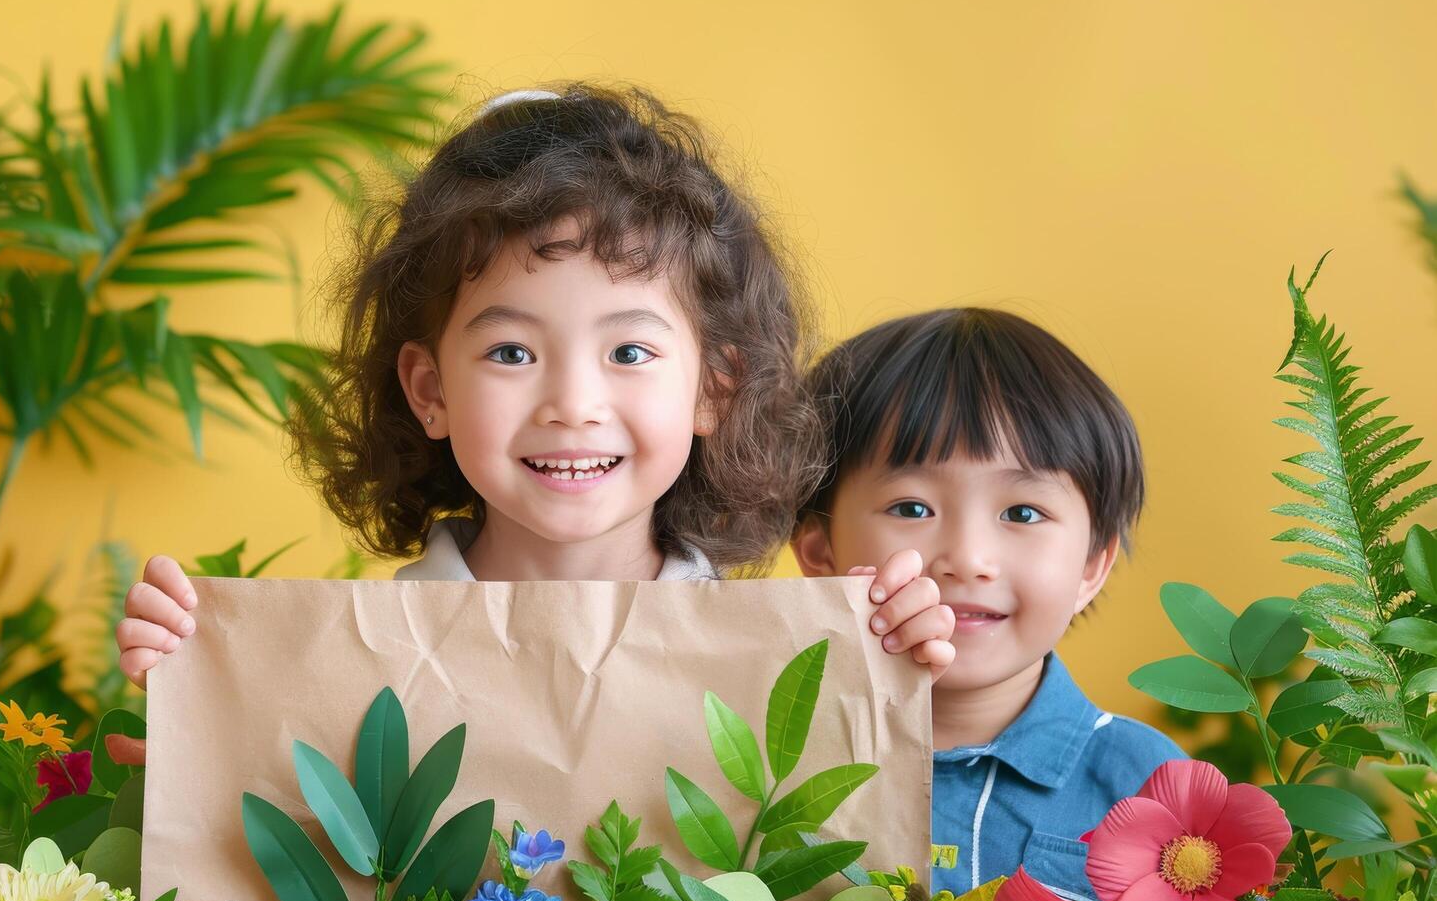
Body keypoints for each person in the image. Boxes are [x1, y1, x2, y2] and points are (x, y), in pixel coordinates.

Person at [111, 85, 957, 765]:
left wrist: (898, 664)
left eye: (628, 352)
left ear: (714, 387)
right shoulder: (342, 669)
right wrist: (201, 716)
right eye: (511, 353)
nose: (571, 403)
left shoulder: (782, 671)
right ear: (428, 388)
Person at [792, 308, 1185, 901]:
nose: (968, 558)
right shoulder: (768, 766)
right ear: (819, 551)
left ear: (1090, 567)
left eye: (1022, 513)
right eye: (911, 508)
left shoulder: (1150, 786)